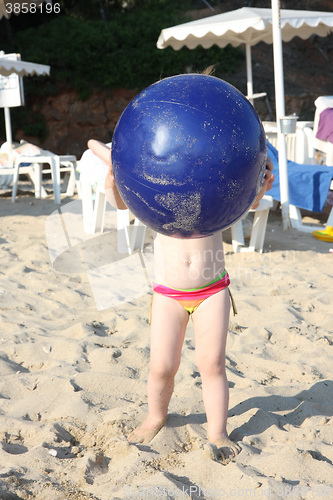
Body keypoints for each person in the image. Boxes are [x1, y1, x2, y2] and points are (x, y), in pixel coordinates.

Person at [88, 138, 274, 461]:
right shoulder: (160, 190)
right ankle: (155, 416)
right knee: (161, 366)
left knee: (212, 364)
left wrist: (260, 185)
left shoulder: (209, 185)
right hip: (168, 293)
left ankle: (217, 431)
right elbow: (120, 203)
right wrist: (113, 178)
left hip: (212, 289)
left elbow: (243, 204)